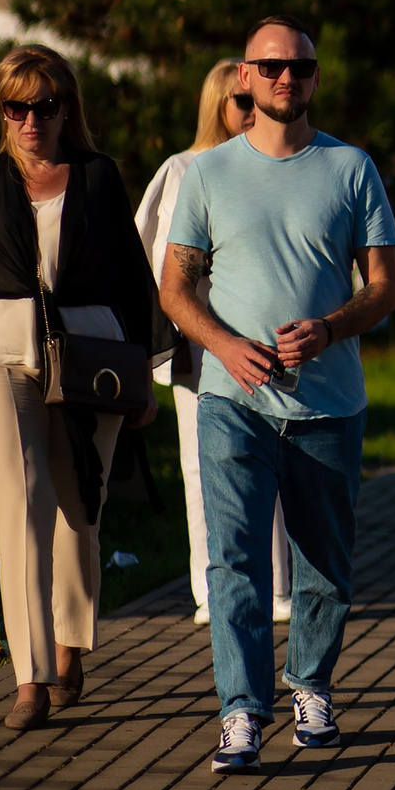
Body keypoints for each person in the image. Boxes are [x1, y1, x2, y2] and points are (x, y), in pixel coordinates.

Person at [160, 17, 395, 774]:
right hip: (234, 401)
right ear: (244, 77)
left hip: (328, 401)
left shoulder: (351, 168)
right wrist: (224, 347)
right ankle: (240, 710)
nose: (284, 79)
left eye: (298, 68)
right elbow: (175, 287)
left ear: (315, 78)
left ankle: (312, 685)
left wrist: (330, 329)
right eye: (270, 68)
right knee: (234, 561)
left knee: (324, 564)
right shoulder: (206, 173)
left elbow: (386, 285)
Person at [0, 46, 164, 731]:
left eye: (45, 104)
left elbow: (132, 281)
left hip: (90, 358)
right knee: (21, 502)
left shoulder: (97, 176)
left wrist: (144, 373)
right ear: (2, 111)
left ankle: (69, 642)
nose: (32, 119)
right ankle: (30, 677)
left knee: (80, 506)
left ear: (67, 107)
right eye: (16, 106)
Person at [135, 59, 291, 628]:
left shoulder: (277, 165)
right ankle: (209, 589)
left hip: (265, 339)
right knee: (202, 468)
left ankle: (275, 587)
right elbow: (150, 256)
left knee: (270, 460)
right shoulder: (182, 170)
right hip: (199, 344)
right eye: (240, 103)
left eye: (256, 101)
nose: (252, 113)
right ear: (217, 106)